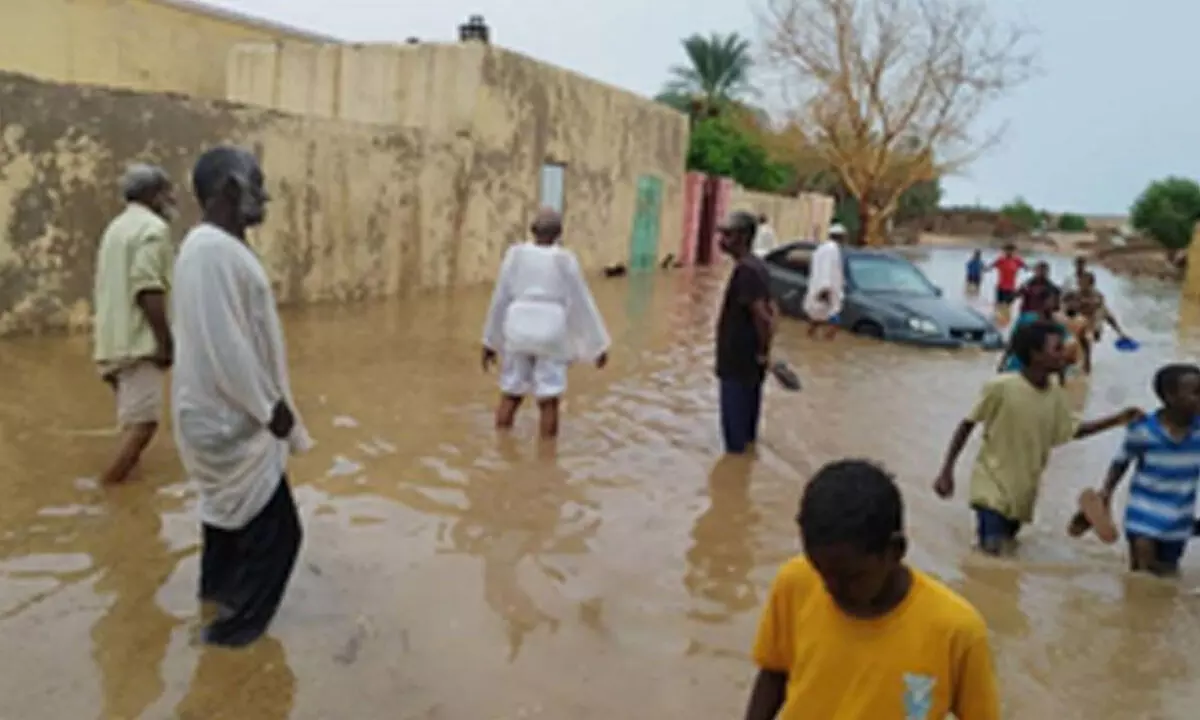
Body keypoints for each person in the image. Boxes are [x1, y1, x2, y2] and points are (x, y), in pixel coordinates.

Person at [171, 146, 312, 647]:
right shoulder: (210, 251)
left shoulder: (215, 248)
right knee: (280, 538)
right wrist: (269, 408)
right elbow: (224, 343)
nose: (266, 194)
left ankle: (216, 600)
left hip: (222, 414)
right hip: (232, 417)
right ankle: (231, 639)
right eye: (258, 182)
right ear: (230, 187)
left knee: (227, 520)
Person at [745, 460, 1000, 720]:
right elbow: (774, 672)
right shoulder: (796, 582)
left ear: (895, 550)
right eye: (821, 572)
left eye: (851, 578)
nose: (831, 588)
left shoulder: (956, 632)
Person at [934, 321, 1141, 555]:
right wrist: (947, 470)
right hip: (990, 483)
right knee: (991, 550)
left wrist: (1117, 420)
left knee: (1007, 548)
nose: (1065, 353)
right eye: (1057, 349)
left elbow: (1070, 431)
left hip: (1023, 491)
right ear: (1036, 355)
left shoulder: (1055, 393)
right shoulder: (1001, 387)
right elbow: (968, 424)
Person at [481, 208, 610, 439]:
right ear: (559, 233)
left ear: (532, 230)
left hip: (517, 328)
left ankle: (500, 445)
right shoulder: (565, 259)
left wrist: (489, 341)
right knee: (549, 398)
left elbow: (499, 298)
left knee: (511, 392)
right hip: (551, 330)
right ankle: (548, 456)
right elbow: (582, 301)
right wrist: (597, 346)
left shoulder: (515, 255)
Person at [92, 163, 178, 486]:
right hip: (138, 344)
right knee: (144, 426)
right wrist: (165, 343)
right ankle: (107, 491)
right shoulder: (153, 230)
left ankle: (133, 503)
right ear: (152, 195)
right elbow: (147, 289)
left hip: (110, 343)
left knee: (131, 424)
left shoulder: (115, 229)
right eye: (165, 192)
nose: (170, 199)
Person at [1071, 364, 1200, 576]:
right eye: (1196, 393)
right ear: (1169, 396)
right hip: (1143, 516)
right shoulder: (1143, 431)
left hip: (1180, 519)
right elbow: (1120, 462)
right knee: (1143, 575)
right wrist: (1106, 492)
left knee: (1167, 575)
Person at [715, 211, 775, 455]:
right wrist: (764, 352)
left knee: (734, 438)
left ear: (742, 237)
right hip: (750, 362)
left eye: (727, 235)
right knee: (748, 430)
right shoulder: (758, 266)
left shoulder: (747, 271)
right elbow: (774, 311)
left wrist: (762, 350)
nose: (721, 240)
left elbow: (763, 315)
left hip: (738, 362)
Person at [1069, 271, 1129, 372]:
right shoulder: (1074, 296)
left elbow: (1108, 316)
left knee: (1097, 316)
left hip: (1093, 327)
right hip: (1078, 327)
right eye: (1080, 282)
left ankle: (1086, 366)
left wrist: (1120, 333)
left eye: (1084, 283)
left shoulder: (1098, 298)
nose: (1081, 285)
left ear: (1091, 284)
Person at [802, 223, 845, 340]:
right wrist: (825, 289)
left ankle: (809, 340)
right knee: (834, 324)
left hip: (820, 289)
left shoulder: (822, 248)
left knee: (817, 319)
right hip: (827, 291)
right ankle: (826, 345)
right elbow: (827, 269)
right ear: (841, 237)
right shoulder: (832, 249)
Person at [987, 243, 1026, 308]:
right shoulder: (1000, 260)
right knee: (999, 307)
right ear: (1004, 251)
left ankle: (1004, 316)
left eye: (1012, 251)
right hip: (1000, 288)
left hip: (1011, 289)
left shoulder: (1017, 260)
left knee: (1007, 307)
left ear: (1015, 251)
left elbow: (1026, 267)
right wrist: (985, 269)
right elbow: (990, 266)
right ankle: (997, 317)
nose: (1009, 252)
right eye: (1007, 250)